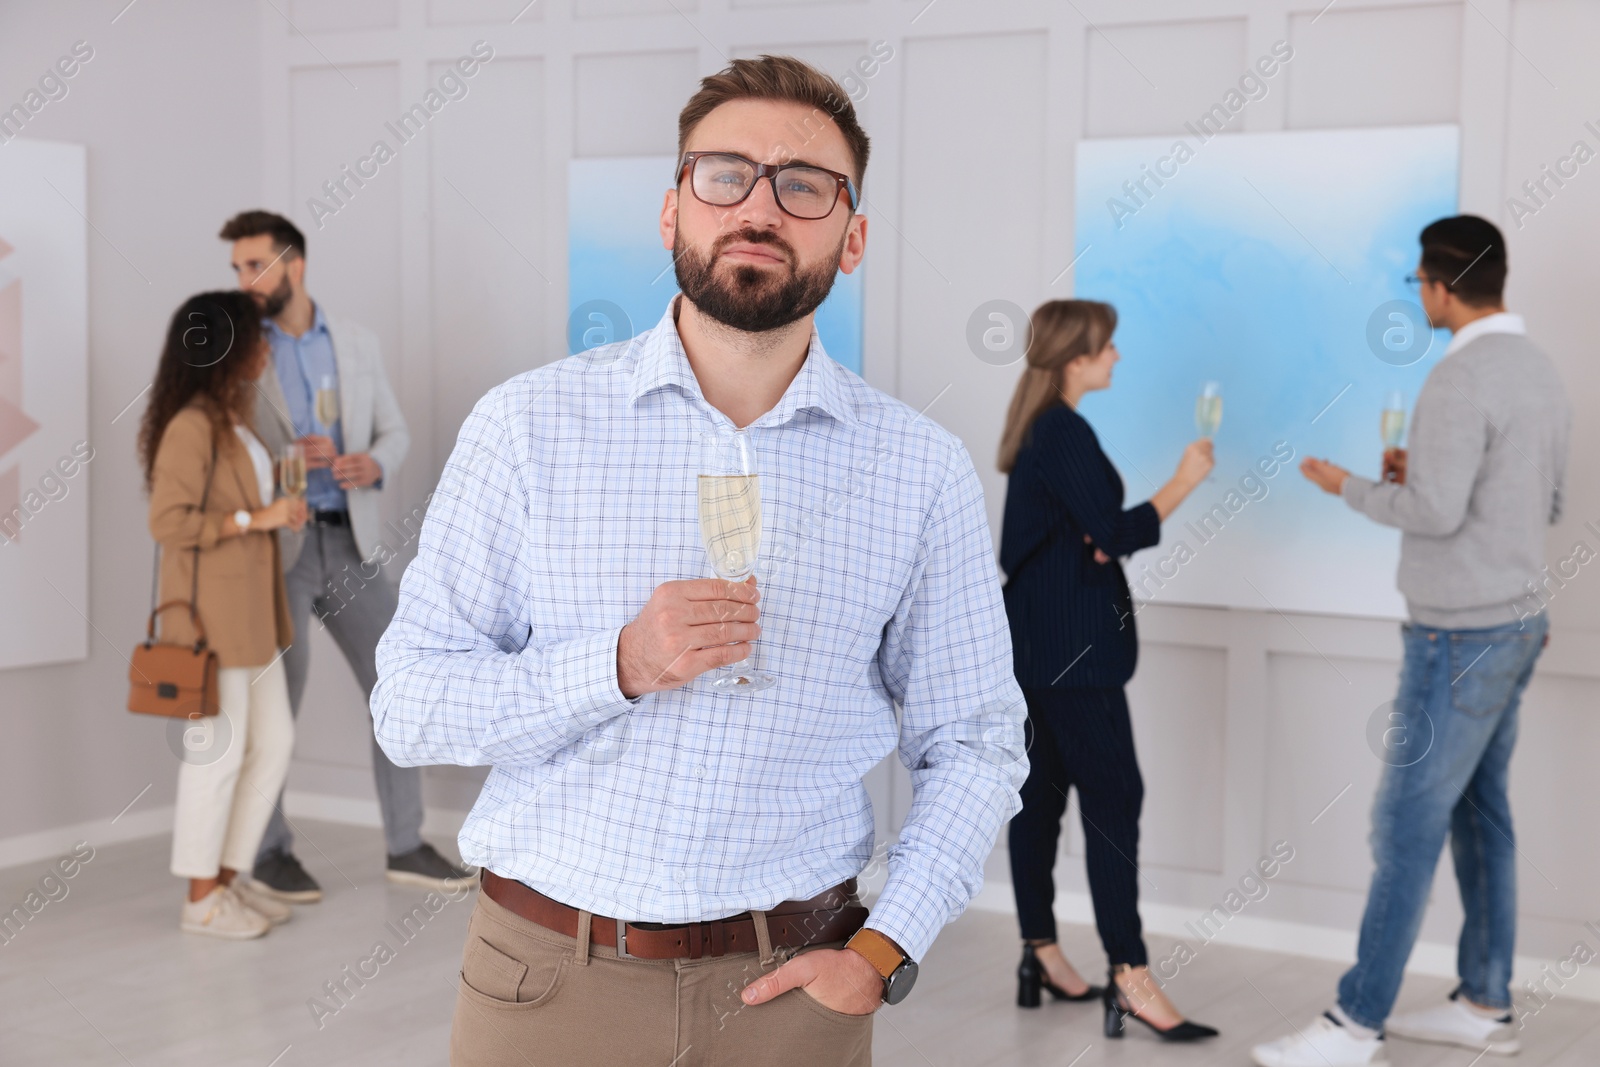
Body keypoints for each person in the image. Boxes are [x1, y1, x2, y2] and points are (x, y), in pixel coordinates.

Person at [371, 55, 1028, 1066]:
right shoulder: (526, 427)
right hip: (544, 979)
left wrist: (885, 947)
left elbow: (977, 739)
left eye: (803, 185)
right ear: (672, 211)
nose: (759, 205)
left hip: (797, 989)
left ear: (851, 240)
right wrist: (618, 665)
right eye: (723, 173)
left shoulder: (918, 468)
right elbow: (409, 707)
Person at [1254, 216, 1570, 1066]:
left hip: (1458, 636)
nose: (1419, 297)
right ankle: (1485, 1001)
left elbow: (1434, 513)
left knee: (1403, 825)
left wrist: (1348, 484)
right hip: (1517, 623)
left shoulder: (1460, 378)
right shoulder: (1539, 370)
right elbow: (1537, 501)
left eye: (1418, 284)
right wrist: (1421, 478)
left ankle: (1355, 1023)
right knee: (1481, 814)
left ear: (1438, 284)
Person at [219, 211, 473, 901]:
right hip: (280, 549)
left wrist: (369, 462)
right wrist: (279, 461)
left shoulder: (355, 343)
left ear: (292, 266)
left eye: (253, 266)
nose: (242, 280)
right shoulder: (242, 350)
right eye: (236, 267)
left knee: (400, 686)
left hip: (352, 541)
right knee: (276, 705)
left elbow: (394, 429)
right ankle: (270, 851)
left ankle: (406, 843)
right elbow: (224, 449)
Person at [996, 299, 1218, 1041]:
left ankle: (1042, 951)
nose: (1117, 356)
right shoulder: (1063, 430)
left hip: (1041, 649)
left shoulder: (1046, 429)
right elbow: (1115, 530)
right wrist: (1185, 479)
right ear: (1075, 357)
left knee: (1042, 801)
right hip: (1074, 655)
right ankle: (1130, 974)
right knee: (1114, 801)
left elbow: (1082, 535)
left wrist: (1093, 542)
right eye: (1107, 346)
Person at [141, 291, 308, 939]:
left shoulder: (235, 419)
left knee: (275, 744)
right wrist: (253, 518)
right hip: (211, 623)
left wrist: (275, 512)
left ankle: (229, 879)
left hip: (255, 617)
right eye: (256, 338)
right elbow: (167, 521)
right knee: (217, 757)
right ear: (224, 348)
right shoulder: (190, 424)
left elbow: (255, 502)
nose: (266, 348)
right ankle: (200, 898)